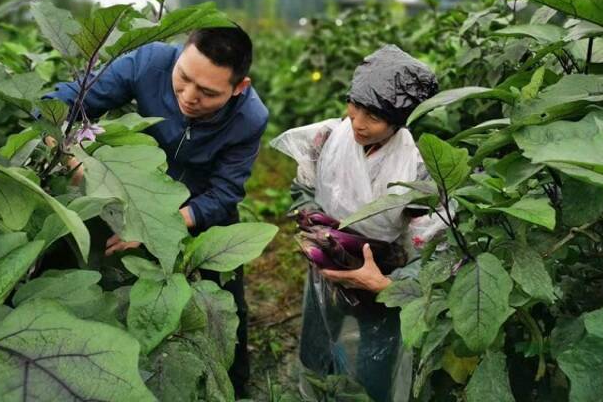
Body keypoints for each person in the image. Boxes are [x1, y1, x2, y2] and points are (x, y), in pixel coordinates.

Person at [46, 26, 267, 397]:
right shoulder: (149, 62)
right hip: (134, 190)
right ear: (180, 55)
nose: (189, 96)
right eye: (183, 78)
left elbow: (225, 193)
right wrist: (67, 156)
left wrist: (158, 227)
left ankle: (235, 386)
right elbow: (66, 101)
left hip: (199, 209)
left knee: (225, 311)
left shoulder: (250, 117)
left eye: (208, 92)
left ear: (238, 88)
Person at [271, 45, 446, 402]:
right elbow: (303, 188)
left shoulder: (417, 168)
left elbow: (429, 242)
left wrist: (389, 284)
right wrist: (314, 225)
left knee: (376, 363)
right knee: (317, 342)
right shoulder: (326, 139)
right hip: (329, 263)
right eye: (356, 107)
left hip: (382, 271)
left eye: (374, 117)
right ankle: (314, 393)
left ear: (399, 121)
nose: (359, 123)